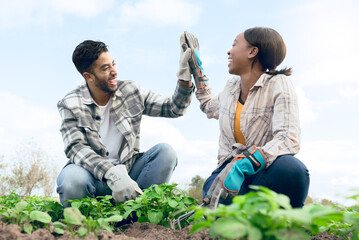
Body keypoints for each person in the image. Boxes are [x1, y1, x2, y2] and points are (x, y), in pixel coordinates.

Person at [56, 38, 194, 207]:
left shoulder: (131, 91)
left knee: (166, 152)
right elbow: (75, 147)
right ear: (89, 77)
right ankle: (84, 225)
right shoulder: (70, 103)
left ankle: (139, 218)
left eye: (113, 64)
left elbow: (173, 108)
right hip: (92, 177)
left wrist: (184, 79)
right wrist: (112, 174)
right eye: (105, 68)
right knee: (71, 179)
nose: (114, 71)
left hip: (129, 176)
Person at [184, 27, 309, 208]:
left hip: (264, 173)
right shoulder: (231, 87)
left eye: (234, 44)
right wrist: (197, 72)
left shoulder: (278, 84)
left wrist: (246, 163)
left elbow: (288, 138)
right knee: (217, 204)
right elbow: (209, 107)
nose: (229, 51)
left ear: (252, 52)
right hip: (229, 175)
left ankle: (287, 223)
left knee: (292, 170)